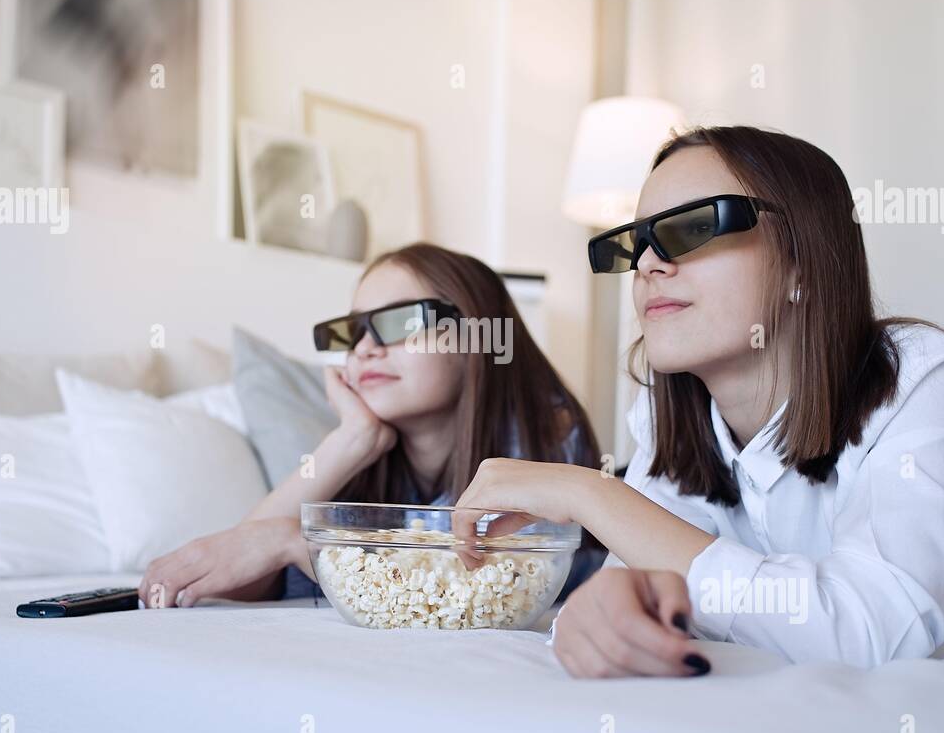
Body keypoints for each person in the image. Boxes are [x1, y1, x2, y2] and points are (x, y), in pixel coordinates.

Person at [452, 125, 944, 676]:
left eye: (691, 228)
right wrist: (602, 612)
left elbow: (879, 629)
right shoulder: (664, 409)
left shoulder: (921, 370)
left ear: (802, 264)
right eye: (638, 243)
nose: (649, 264)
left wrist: (591, 494)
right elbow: (657, 577)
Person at [138, 242, 605, 610]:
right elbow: (231, 579)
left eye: (400, 321)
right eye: (354, 331)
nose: (363, 348)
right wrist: (349, 440)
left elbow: (468, 586)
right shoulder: (374, 460)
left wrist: (290, 540)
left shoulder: (548, 435)